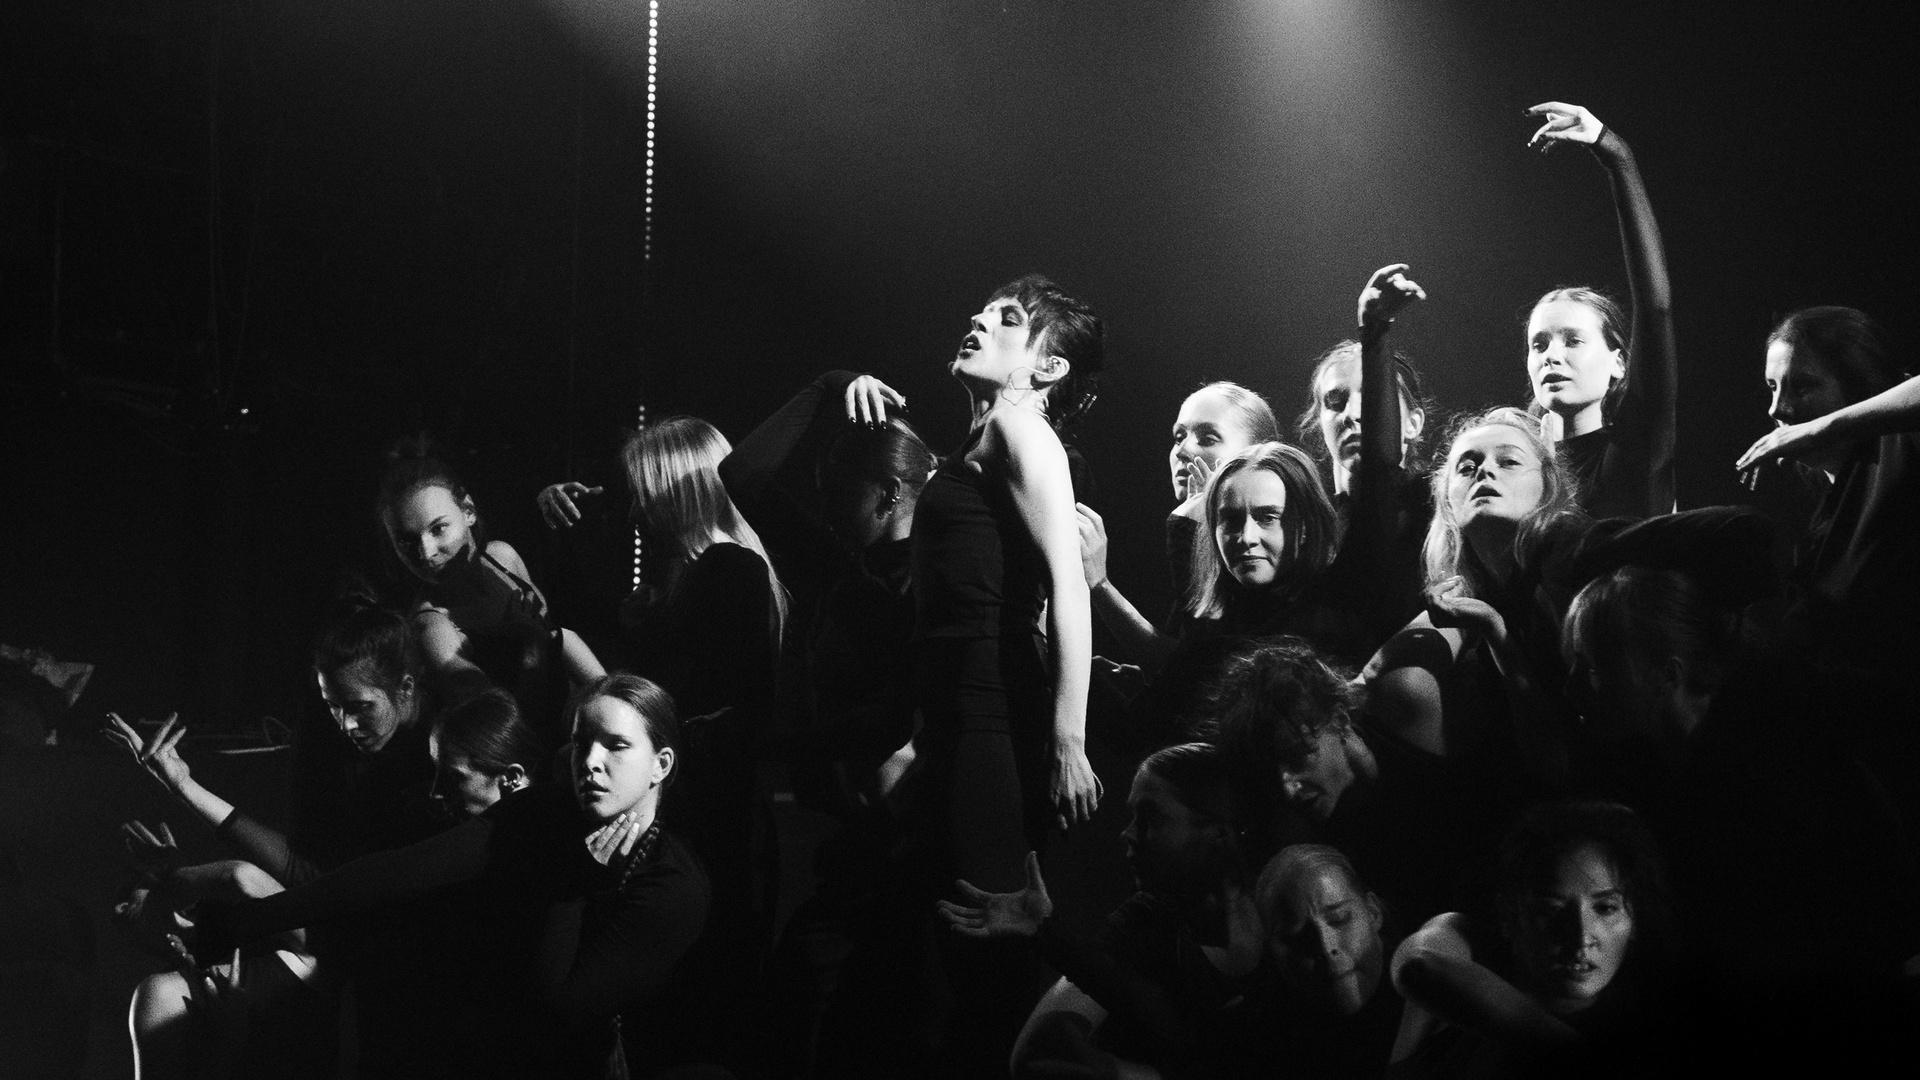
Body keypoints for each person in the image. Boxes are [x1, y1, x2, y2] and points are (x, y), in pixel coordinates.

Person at [164, 674, 717, 1079]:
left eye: (616, 746)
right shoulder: (544, 813)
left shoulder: (672, 888)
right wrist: (244, 922)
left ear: (661, 765)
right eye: (581, 742)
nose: (591, 760)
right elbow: (396, 873)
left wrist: (569, 884)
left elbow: (555, 1013)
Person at [1560, 566, 1920, 1066]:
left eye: (1591, 666)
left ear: (1667, 675)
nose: (1571, 687)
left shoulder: (1774, 772)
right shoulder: (1661, 765)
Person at [890, 272, 1103, 1076]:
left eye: (1007, 319)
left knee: (983, 955)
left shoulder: (1022, 427)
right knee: (956, 956)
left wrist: (1069, 739)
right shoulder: (985, 438)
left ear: (1047, 366)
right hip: (959, 723)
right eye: (980, 311)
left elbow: (1068, 586)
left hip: (990, 721)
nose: (979, 322)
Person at [106, 595, 446, 1079]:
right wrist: (184, 787)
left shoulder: (441, 759)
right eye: (333, 707)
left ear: (407, 687)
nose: (346, 724)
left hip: (408, 964)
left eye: (359, 707)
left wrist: (187, 879)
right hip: (336, 949)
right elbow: (305, 870)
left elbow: (262, 881)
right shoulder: (351, 759)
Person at [713, 369, 937, 1078]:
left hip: (913, 850)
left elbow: (893, 719)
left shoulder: (938, 583)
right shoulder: (842, 567)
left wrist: (758, 744)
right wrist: (827, 386)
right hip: (855, 841)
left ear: (891, 493)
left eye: (839, 492)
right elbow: (742, 474)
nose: (826, 508)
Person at [940, 742, 1270, 1080]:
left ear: (1219, 834)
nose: (1127, 833)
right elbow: (1034, 1055)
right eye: (1133, 816)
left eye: (1150, 817)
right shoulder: (1144, 923)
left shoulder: (1279, 905)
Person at [1204, 638, 1510, 929]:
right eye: (1271, 774)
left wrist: (1375, 668)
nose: (1288, 790)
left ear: (1339, 721)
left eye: (1296, 757)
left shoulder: (1403, 700)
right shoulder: (1298, 831)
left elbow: (1455, 616)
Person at [1389, 801, 1678, 1078]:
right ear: (1509, 915)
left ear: (1635, 920)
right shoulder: (1464, 950)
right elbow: (1418, 967)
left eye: (1605, 908)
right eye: (1551, 910)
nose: (1581, 936)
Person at [378, 440, 604, 735]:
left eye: (438, 528)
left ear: (468, 511)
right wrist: (534, 645)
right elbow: (498, 728)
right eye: (406, 541)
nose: (426, 552)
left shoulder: (501, 556)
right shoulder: (433, 629)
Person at [1520, 101, 1677, 519]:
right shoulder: (1516, 473)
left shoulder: (1634, 450)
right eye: (1539, 345)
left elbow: (1656, 308)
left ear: (1619, 362)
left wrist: (1615, 154)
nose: (1551, 356)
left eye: (1573, 340)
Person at [1077, 381, 1281, 671]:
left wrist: (1101, 586)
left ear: (1256, 453)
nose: (1183, 450)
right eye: (1179, 436)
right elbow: (1183, 662)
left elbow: (1197, 673)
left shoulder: (1260, 553)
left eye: (1208, 438)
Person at [1293, 264, 1437, 655]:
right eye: (1335, 402)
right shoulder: (1305, 528)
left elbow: (1381, 475)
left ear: (1413, 423)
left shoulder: (1433, 505)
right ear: (1318, 422)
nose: (1353, 415)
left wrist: (1375, 331)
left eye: (1370, 399)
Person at [1257, 844, 1403, 1078]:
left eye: (1339, 918)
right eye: (1299, 938)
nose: (1326, 947)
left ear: (1373, 912)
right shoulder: (1278, 1051)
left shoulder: (1435, 1001)